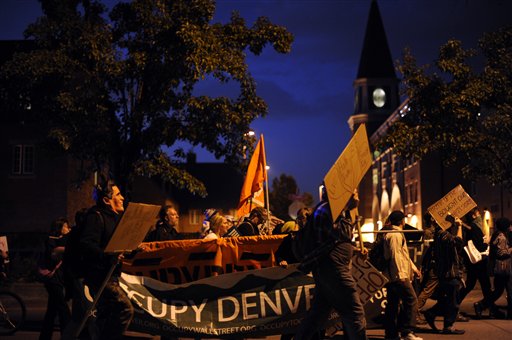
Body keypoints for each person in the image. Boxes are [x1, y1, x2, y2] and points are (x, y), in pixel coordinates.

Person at [294, 188, 367, 340]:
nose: (356, 194)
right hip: (333, 269)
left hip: (330, 269)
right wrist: (350, 207)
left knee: (317, 315)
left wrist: (353, 250)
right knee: (354, 312)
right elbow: (338, 236)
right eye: (353, 192)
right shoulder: (327, 209)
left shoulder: (333, 210)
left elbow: (336, 241)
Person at [78, 177, 134, 340]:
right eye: (118, 194)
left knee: (105, 314)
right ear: (106, 200)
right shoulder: (95, 217)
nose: (122, 197)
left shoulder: (116, 219)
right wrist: (108, 255)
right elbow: (87, 244)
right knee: (125, 309)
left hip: (112, 275)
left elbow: (119, 248)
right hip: (100, 276)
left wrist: (133, 249)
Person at [421, 214, 466, 335]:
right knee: (453, 301)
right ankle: (447, 326)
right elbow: (458, 243)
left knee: (449, 300)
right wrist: (459, 227)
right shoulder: (443, 234)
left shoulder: (440, 234)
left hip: (447, 272)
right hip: (449, 273)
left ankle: (432, 313)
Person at [382, 210, 422, 340]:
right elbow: (395, 256)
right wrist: (401, 275)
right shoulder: (395, 235)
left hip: (392, 276)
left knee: (393, 305)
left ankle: (391, 334)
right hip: (398, 276)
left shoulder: (393, 233)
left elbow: (402, 255)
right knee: (411, 300)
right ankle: (407, 331)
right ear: (401, 221)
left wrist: (414, 268)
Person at [459, 207, 497, 319]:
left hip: (473, 262)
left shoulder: (470, 228)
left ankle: (451, 305)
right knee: (485, 285)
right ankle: (488, 308)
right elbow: (479, 245)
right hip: (479, 262)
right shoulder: (475, 228)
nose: (480, 215)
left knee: (471, 285)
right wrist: (486, 245)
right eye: (478, 213)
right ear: (473, 216)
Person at [39, 217, 72, 340]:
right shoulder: (50, 240)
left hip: (58, 278)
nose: (68, 228)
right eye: (65, 226)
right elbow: (52, 256)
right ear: (59, 227)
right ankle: (68, 335)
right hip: (52, 279)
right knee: (63, 309)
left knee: (51, 311)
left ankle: (44, 337)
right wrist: (65, 248)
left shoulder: (63, 240)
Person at [475, 217, 512, 319]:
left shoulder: (497, 235)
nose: (510, 227)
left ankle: (484, 306)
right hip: (503, 267)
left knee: (499, 291)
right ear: (505, 226)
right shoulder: (502, 237)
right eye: (509, 225)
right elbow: (502, 253)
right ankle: (481, 305)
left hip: (499, 267)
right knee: (505, 290)